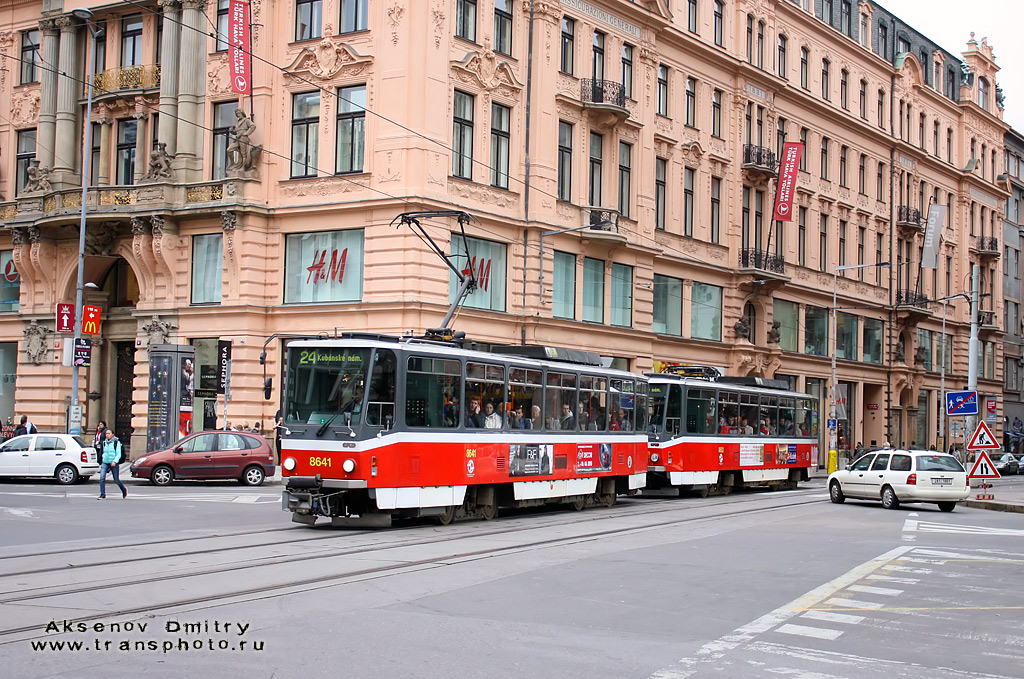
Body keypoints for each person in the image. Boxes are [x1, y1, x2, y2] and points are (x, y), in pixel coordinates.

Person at [97, 428, 127, 500]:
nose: (107, 435)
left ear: (112, 435)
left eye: (109, 433)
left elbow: (118, 454)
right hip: (105, 462)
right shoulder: (104, 442)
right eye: (106, 434)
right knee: (102, 478)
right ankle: (102, 494)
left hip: (113, 462)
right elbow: (103, 452)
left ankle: (123, 489)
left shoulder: (116, 442)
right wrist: (102, 458)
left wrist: (115, 461)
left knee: (116, 479)